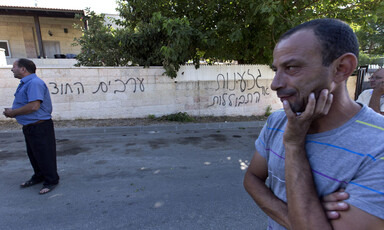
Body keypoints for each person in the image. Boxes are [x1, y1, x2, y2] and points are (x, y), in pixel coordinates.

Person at [243, 18, 384, 229]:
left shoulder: (379, 146)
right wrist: (302, 216)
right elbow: (252, 178)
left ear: (342, 68)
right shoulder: (277, 121)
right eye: (277, 69)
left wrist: (293, 145)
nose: (275, 84)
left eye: (291, 68)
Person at [3, 58, 59, 195]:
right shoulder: (25, 83)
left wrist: (13, 113)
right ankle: (39, 176)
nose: (11, 69)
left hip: (40, 126)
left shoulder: (34, 83)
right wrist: (13, 111)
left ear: (23, 69)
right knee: (34, 154)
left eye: (14, 66)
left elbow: (34, 106)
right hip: (30, 126)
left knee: (45, 155)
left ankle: (51, 180)